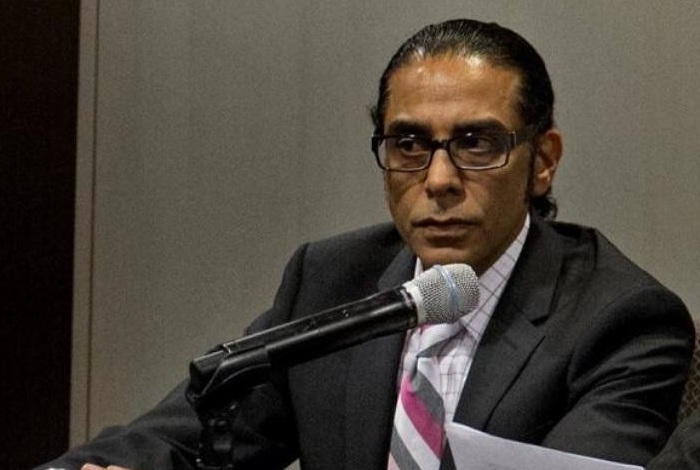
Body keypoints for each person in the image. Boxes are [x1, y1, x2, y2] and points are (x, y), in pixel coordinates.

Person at [37, 18, 693, 470]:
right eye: (409, 144)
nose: (438, 180)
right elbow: (188, 433)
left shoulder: (620, 320)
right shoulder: (332, 278)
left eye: (476, 143)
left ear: (542, 161)